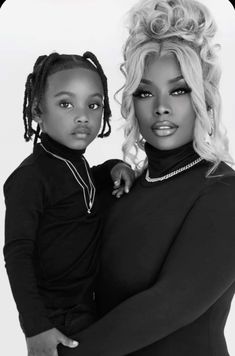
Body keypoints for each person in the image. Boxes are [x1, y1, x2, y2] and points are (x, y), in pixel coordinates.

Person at [57, 1, 235, 355]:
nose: (161, 106)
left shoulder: (223, 190)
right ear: (131, 102)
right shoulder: (120, 189)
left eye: (179, 89)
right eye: (145, 91)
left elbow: (170, 304)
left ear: (204, 98)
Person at [3, 51, 135, 356]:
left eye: (94, 104)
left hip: (90, 306)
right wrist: (36, 328)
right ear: (37, 110)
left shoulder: (75, 164)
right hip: (56, 320)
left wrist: (115, 165)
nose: (83, 115)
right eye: (66, 103)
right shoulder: (30, 178)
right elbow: (17, 253)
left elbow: (88, 180)